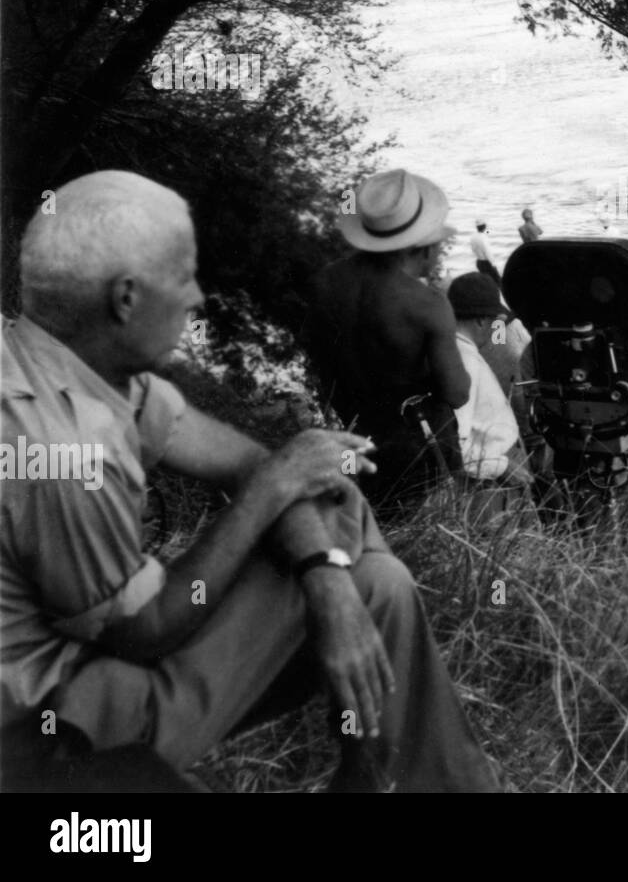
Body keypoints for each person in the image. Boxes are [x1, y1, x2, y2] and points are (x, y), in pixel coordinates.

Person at [0, 171, 497, 793]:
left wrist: (323, 574)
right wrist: (274, 492)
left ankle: (384, 774)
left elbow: (246, 459)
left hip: (82, 679)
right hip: (56, 729)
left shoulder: (65, 365)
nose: (198, 298)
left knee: (371, 573)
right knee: (362, 551)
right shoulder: (64, 446)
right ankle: (431, 780)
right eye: (182, 276)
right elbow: (143, 633)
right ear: (126, 298)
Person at [305, 169, 470, 510]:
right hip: (418, 444)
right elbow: (457, 393)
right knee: (425, 534)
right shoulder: (427, 305)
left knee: (369, 522)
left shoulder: (325, 283)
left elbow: (318, 359)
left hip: (356, 435)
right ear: (421, 246)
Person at [446, 274, 535, 514]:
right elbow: (457, 447)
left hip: (493, 471)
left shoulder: (455, 352)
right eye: (494, 321)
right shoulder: (465, 364)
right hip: (491, 482)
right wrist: (504, 467)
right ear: (480, 322)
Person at [469, 220, 500, 284]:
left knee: (486, 282)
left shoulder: (473, 237)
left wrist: (487, 231)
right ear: (484, 227)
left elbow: (473, 249)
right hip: (487, 263)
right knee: (497, 281)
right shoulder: (483, 238)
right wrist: (493, 264)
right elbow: (487, 252)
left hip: (479, 262)